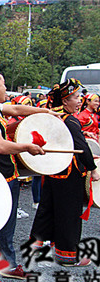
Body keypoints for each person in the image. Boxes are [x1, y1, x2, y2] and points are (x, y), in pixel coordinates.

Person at [0, 58, 52, 282]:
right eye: (4, 84)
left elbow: (15, 109)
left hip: (5, 175)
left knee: (7, 221)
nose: (6, 88)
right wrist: (26, 147)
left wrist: (45, 112)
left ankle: (8, 264)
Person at [30, 79, 99, 267]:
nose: (80, 100)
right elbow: (81, 147)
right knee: (68, 213)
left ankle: (35, 246)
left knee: (48, 209)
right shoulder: (70, 120)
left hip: (53, 170)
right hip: (69, 174)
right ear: (66, 100)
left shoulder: (54, 116)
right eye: (76, 97)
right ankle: (68, 255)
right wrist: (93, 168)